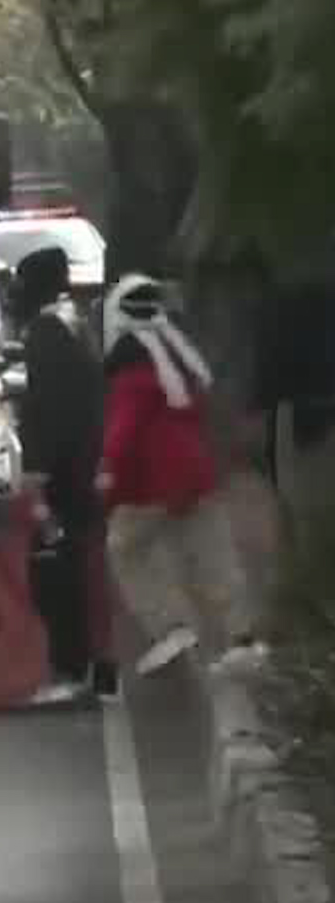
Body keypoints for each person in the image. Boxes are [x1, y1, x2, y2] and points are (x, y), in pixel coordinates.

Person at [100, 274, 266, 679]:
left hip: (151, 484)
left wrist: (106, 473)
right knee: (214, 555)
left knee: (126, 548)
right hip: (196, 474)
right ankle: (243, 641)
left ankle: (170, 625)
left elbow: (123, 432)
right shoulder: (181, 360)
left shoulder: (130, 369)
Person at [12, 248, 114, 700]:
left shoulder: (47, 331)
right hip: (87, 464)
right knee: (84, 570)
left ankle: (70, 668)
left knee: (56, 570)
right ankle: (97, 667)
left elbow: (48, 409)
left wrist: (37, 472)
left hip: (66, 474)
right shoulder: (77, 323)